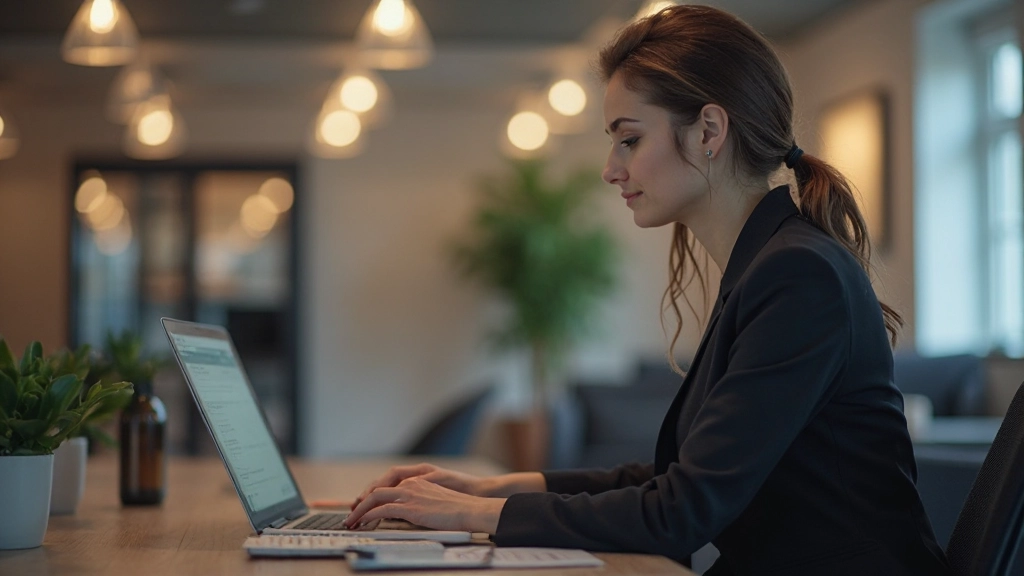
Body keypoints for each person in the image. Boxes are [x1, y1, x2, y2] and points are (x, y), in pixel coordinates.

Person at [343, 5, 952, 575]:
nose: (612, 168)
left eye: (629, 139)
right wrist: (492, 489)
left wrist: (475, 517)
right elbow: (673, 478)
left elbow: (680, 513)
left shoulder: (797, 275)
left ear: (709, 129)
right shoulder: (771, 264)